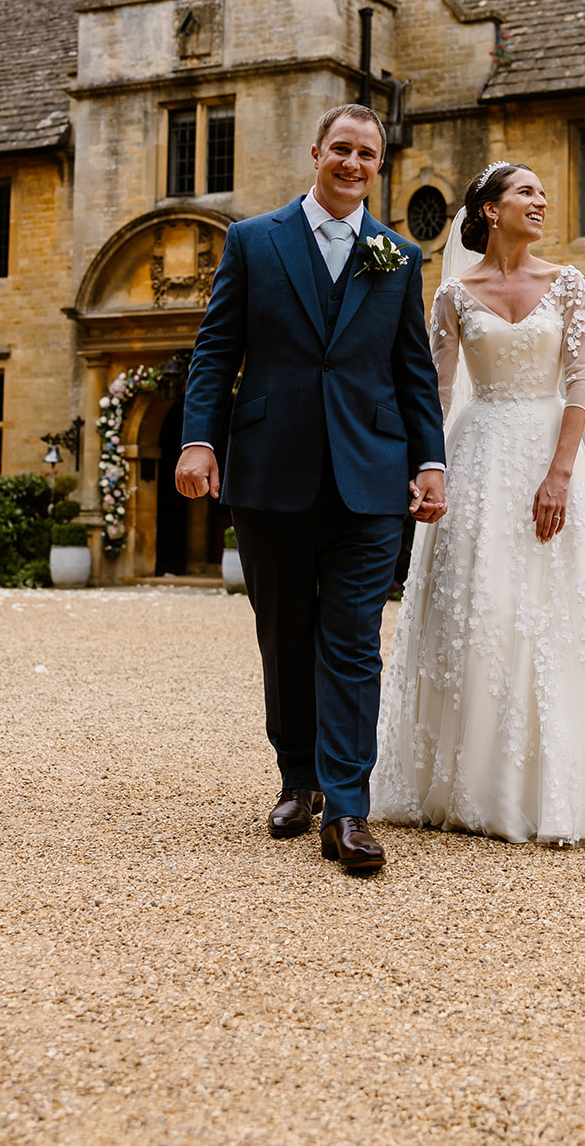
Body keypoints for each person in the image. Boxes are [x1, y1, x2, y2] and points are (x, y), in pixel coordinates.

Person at [175, 104, 446, 872]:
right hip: (268, 469)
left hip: (369, 474)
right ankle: (297, 779)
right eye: (341, 149)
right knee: (284, 633)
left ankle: (349, 808)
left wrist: (429, 462)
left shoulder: (395, 255)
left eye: (367, 153)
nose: (352, 163)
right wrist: (200, 441)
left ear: (379, 166)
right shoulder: (253, 241)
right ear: (315, 153)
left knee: (355, 641)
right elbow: (215, 348)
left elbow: (411, 371)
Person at [371, 161, 585, 846]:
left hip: (544, 452)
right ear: (489, 210)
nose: (540, 201)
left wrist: (560, 475)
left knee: (553, 614)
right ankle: (467, 786)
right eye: (525, 192)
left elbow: (579, 379)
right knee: (478, 610)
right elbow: (437, 394)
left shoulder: (567, 282)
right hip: (475, 460)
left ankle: (554, 789)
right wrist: (426, 468)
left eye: (540, 192)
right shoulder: (450, 293)